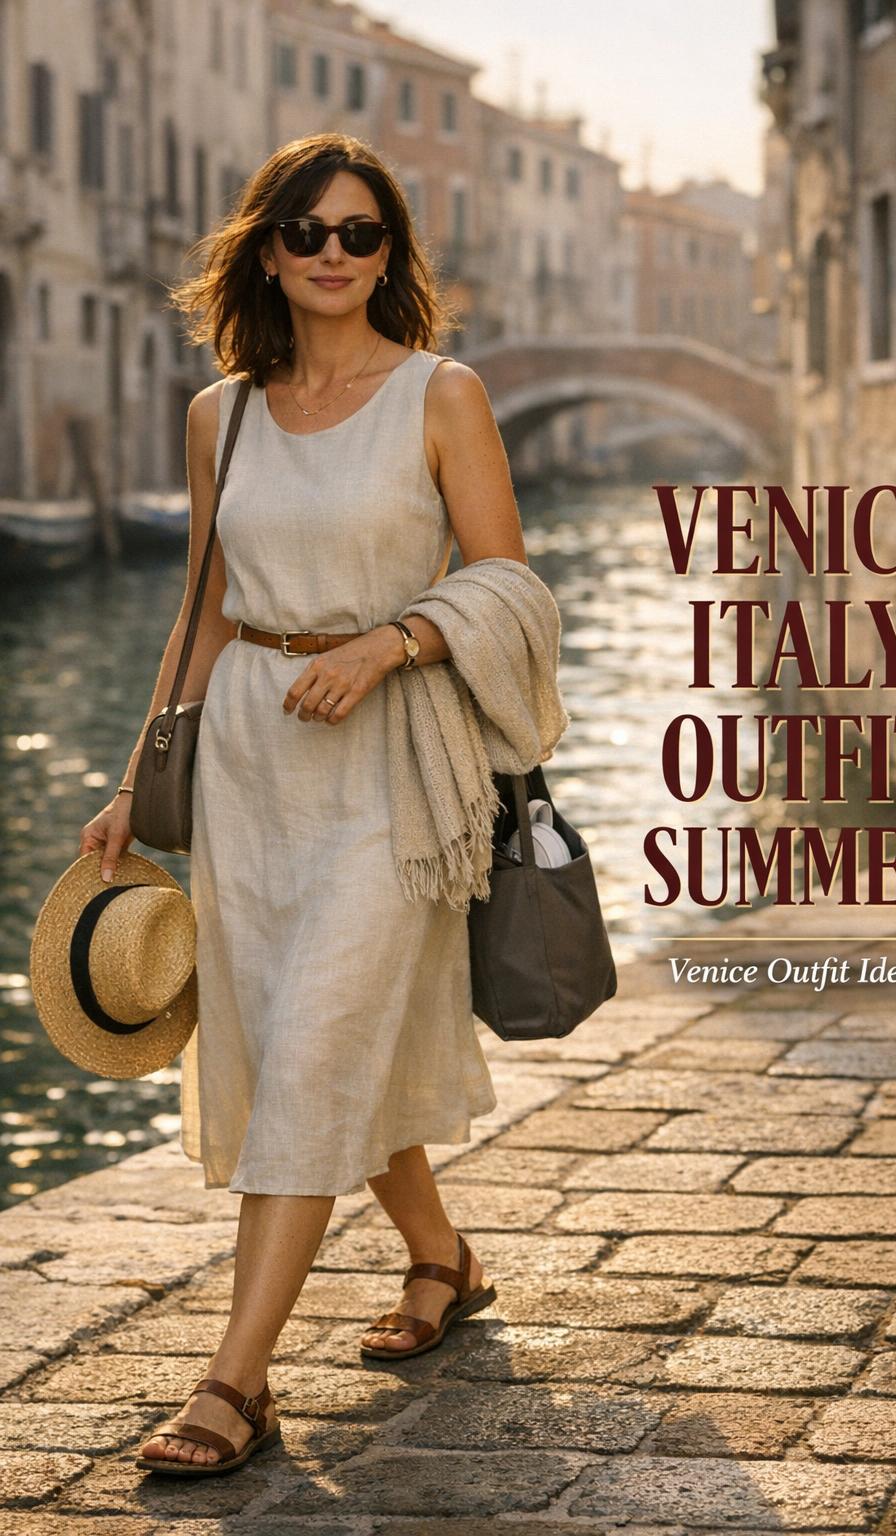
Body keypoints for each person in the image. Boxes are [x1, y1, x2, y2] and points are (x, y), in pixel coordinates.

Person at [78, 132, 531, 1472]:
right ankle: (443, 1259)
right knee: (303, 1040)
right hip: (245, 768)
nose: (335, 255)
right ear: (266, 247)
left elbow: (511, 586)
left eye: (363, 234)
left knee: (317, 1043)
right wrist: (131, 783)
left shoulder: (442, 394)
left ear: (390, 254)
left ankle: (236, 1385)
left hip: (394, 763)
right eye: (309, 232)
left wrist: (385, 645)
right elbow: (205, 609)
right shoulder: (219, 413)